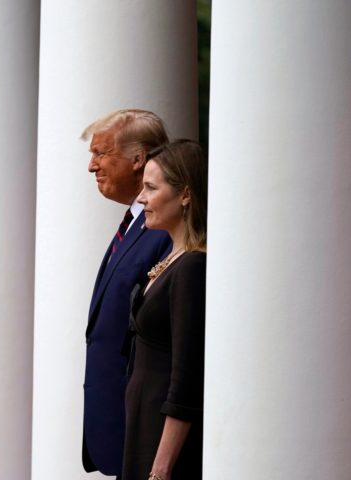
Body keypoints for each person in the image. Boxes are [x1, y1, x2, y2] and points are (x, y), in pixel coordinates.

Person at [81, 109, 172, 478]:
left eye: (101, 154)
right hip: (117, 421)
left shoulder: (164, 228)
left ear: (138, 160)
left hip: (141, 425)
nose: (92, 166)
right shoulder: (136, 223)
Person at [122, 139, 207, 480]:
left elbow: (186, 375)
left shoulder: (191, 268)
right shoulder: (169, 260)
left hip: (162, 442)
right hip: (144, 425)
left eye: (151, 188)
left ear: (185, 194)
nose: (140, 199)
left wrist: (162, 466)